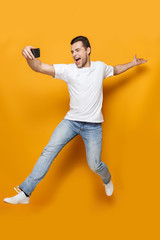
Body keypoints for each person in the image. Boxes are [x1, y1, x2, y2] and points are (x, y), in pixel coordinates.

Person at [3, 36, 147, 204]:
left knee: (95, 165)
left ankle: (107, 179)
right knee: (48, 152)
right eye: (72, 51)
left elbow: (115, 69)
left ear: (88, 50)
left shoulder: (100, 67)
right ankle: (25, 193)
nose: (74, 54)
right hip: (71, 122)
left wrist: (132, 63)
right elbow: (39, 66)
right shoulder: (68, 70)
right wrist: (28, 55)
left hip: (93, 126)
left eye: (77, 50)